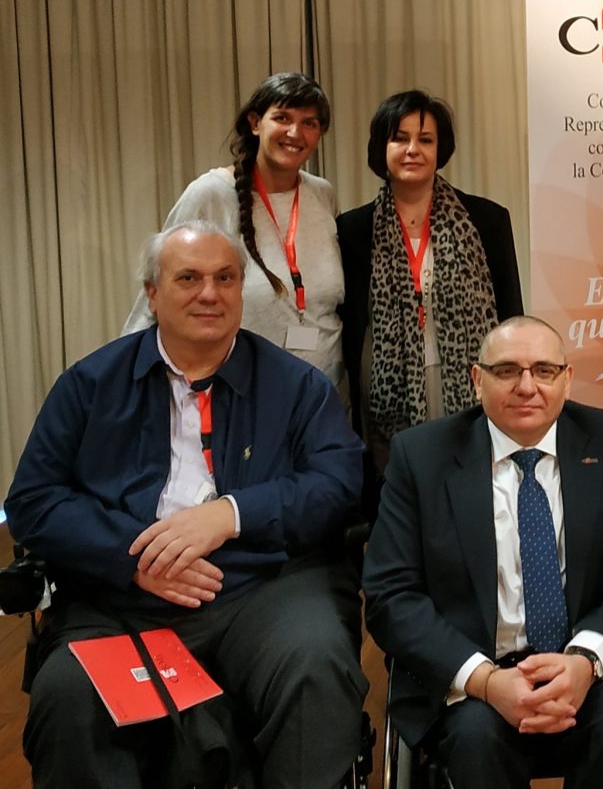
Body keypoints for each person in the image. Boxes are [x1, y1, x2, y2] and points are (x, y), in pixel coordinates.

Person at [5, 221, 368, 788]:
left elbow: (340, 482)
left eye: (226, 278)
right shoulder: (90, 384)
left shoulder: (298, 387)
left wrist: (231, 513)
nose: (210, 293)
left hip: (261, 587)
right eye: (189, 278)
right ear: (152, 293)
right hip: (121, 596)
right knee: (69, 695)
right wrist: (133, 559)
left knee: (316, 665)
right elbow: (33, 500)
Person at [362, 315, 603, 789]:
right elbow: (390, 594)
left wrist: (586, 661)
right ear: (476, 379)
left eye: (544, 370)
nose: (527, 386)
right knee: (474, 741)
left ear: (566, 380)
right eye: (507, 370)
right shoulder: (420, 458)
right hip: (475, 673)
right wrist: (484, 680)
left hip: (584, 664)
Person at [337, 89, 523, 515]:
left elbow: (510, 310)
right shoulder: (353, 228)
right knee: (405, 489)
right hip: (387, 383)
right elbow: (350, 321)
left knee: (470, 481)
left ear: (441, 149)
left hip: (469, 376)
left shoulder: (488, 219)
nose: (412, 150)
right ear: (381, 147)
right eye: (399, 138)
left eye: (425, 139)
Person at [124, 72, 345, 389]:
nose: (295, 132)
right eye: (282, 118)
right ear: (255, 123)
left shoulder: (323, 194)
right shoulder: (211, 193)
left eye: (309, 123)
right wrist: (129, 381)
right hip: (243, 395)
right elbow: (158, 295)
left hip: (325, 397)